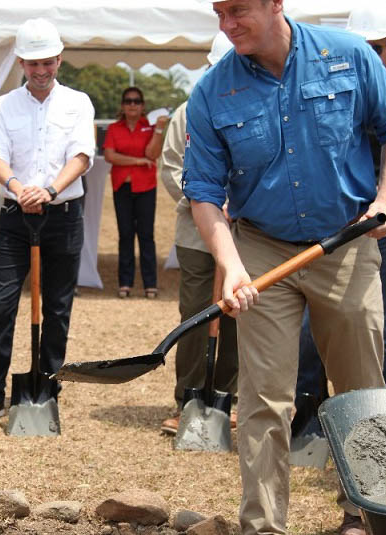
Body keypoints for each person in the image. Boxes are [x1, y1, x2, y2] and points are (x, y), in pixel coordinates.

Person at [183, 1, 386, 534]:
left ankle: (364, 515)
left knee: (361, 390)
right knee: (264, 398)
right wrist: (232, 265)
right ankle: (262, 525)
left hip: (346, 242)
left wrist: (383, 199)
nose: (227, 24)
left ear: (275, 4)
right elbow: (202, 192)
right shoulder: (213, 92)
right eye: (219, 13)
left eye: (238, 9)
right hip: (264, 248)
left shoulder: (349, 56)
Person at [293, 0, 386, 414]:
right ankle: (309, 416)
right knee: (313, 326)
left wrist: (375, 199)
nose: (366, 55)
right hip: (333, 227)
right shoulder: (331, 96)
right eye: (359, 45)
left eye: (376, 47)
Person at [0, 18, 94, 422]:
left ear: (59, 59)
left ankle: (47, 386)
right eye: (33, 64)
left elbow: (82, 156)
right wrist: (19, 187)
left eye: (48, 62)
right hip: (15, 217)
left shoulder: (78, 103)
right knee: (1, 304)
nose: (40, 71)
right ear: (20, 62)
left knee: (57, 305)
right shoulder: (4, 105)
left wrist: (49, 190)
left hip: (63, 216)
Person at [157, 31, 237, 436]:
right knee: (194, 315)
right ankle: (187, 398)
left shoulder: (259, 106)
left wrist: (238, 203)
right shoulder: (187, 113)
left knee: (238, 314)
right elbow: (171, 166)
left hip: (245, 235)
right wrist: (204, 200)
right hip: (195, 234)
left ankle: (228, 397)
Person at [103, 87, 163, 299]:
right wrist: (138, 161)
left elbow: (152, 154)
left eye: (137, 101)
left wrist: (159, 131)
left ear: (143, 105)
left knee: (146, 235)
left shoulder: (151, 128)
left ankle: (150, 284)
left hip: (146, 187)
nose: (132, 105)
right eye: (128, 101)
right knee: (125, 235)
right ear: (122, 105)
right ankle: (125, 282)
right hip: (122, 187)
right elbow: (110, 155)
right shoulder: (114, 128)